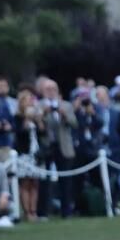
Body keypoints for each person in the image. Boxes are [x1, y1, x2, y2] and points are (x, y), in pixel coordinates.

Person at [39, 79, 80, 218]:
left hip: (64, 147)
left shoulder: (66, 105)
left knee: (66, 181)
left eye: (53, 89)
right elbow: (37, 124)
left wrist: (65, 115)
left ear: (57, 91)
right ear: (43, 92)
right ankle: (43, 212)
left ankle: (66, 211)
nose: (51, 92)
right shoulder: (38, 105)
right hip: (46, 146)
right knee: (44, 180)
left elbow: (74, 124)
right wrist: (43, 114)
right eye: (48, 89)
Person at [13, 91, 45, 221]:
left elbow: (43, 132)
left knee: (35, 183)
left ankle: (34, 211)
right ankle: (27, 212)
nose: (30, 102)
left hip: (36, 154)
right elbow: (19, 133)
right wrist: (27, 118)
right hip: (24, 154)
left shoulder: (36, 117)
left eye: (31, 100)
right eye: (27, 100)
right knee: (25, 183)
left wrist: (39, 120)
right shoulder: (17, 117)